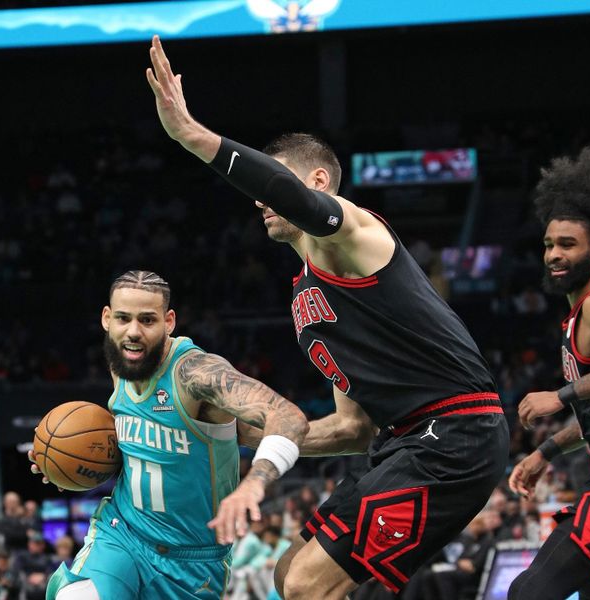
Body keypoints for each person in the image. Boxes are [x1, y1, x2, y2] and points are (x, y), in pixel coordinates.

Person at [147, 35, 509, 599]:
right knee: (288, 573)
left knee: (310, 585)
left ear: (315, 183)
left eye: (279, 183)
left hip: (454, 434)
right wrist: (245, 434)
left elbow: (286, 194)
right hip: (398, 439)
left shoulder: (356, 233)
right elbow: (351, 428)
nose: (261, 200)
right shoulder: (305, 299)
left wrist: (192, 136)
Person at [32, 271, 309, 599]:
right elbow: (139, 448)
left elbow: (288, 417)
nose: (133, 331)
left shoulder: (196, 374)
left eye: (147, 320)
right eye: (123, 318)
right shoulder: (122, 361)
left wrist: (254, 483)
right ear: (107, 319)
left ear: (169, 321)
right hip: (123, 535)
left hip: (192, 562)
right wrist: (71, 465)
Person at [508, 146, 590, 599]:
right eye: (547, 245)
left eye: (567, 245)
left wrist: (561, 396)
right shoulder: (581, 313)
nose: (553, 255)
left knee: (529, 593)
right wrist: (546, 451)